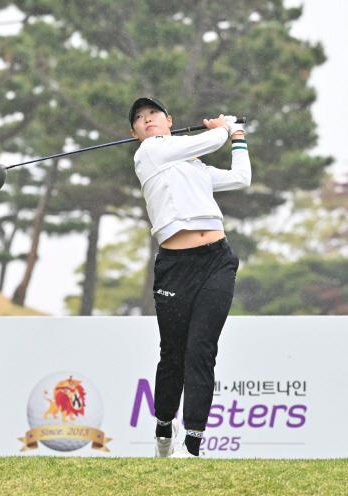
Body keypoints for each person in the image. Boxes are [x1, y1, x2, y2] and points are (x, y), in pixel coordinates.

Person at [129, 97, 251, 458]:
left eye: (153, 114)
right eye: (139, 118)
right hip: (175, 268)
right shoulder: (149, 152)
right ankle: (164, 429)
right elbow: (210, 141)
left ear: (169, 120)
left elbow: (241, 178)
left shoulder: (193, 166)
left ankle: (193, 445)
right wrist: (223, 127)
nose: (147, 119)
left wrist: (238, 136)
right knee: (173, 356)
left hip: (217, 261)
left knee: (201, 350)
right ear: (134, 133)